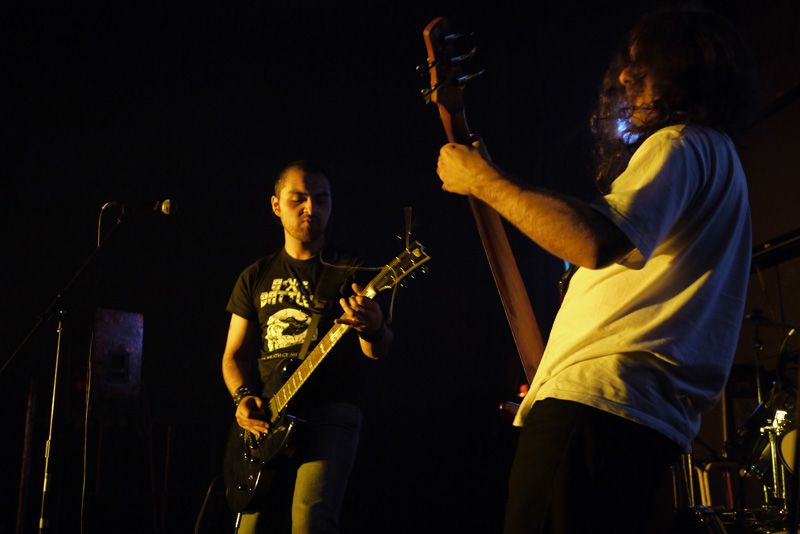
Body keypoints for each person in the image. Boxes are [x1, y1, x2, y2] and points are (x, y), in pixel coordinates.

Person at [436, 8, 759, 534]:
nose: (625, 76)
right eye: (625, 64)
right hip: (641, 423)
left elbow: (593, 241)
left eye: (644, 62)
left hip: (598, 407)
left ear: (687, 66)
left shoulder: (680, 143)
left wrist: (484, 182)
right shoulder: (722, 164)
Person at [221, 160, 393, 533]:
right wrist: (243, 398)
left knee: (311, 521)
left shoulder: (352, 269)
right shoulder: (255, 275)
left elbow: (377, 351)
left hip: (330, 410)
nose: (310, 208)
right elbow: (234, 356)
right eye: (298, 198)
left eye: (321, 199)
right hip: (269, 416)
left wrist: (374, 327)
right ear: (276, 205)